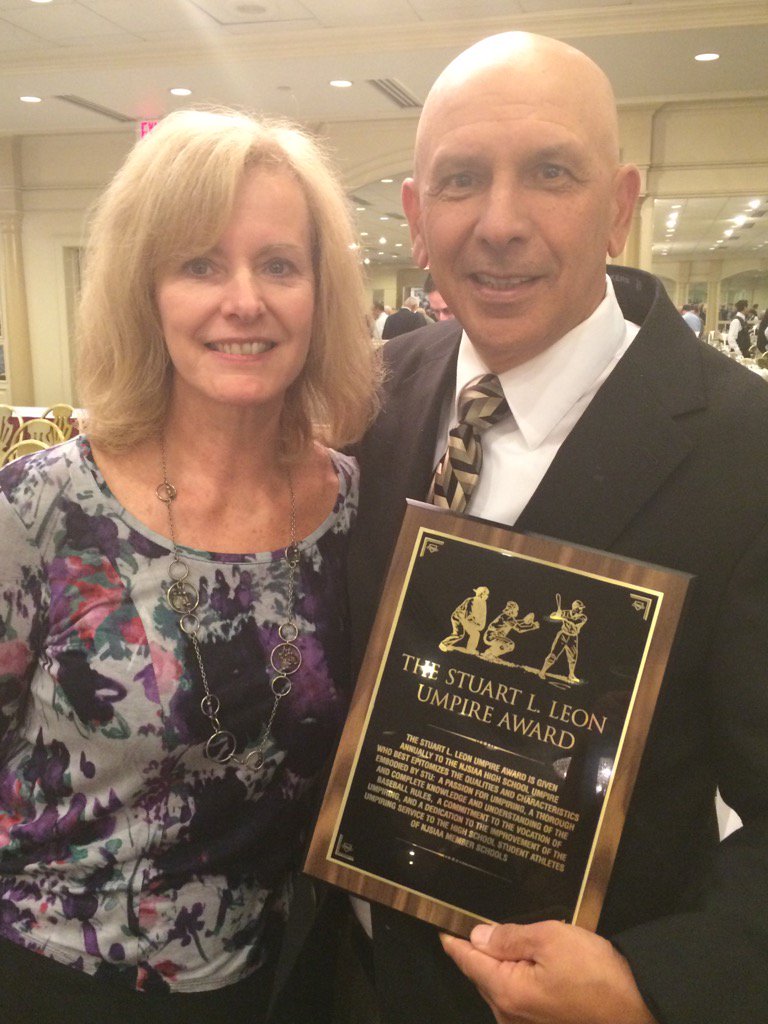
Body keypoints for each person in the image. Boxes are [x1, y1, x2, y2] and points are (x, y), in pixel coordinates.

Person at [344, 30, 768, 1024]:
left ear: (620, 205)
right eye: (460, 180)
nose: (501, 222)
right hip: (347, 985)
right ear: (415, 216)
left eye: (549, 173)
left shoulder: (746, 453)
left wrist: (658, 985)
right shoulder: (368, 400)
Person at [0, 108, 379, 1023]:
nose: (243, 300)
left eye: (278, 265)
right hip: (54, 977)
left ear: (319, 294)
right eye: (199, 264)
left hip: (279, 980)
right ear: (146, 292)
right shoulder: (40, 509)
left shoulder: (354, 508)